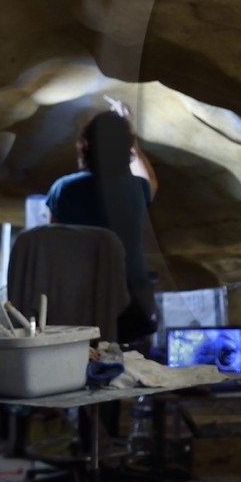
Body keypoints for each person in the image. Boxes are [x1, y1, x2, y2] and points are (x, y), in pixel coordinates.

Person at [46, 102, 160, 343]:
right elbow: (149, 180)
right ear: (125, 148)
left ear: (85, 147)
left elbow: (52, 243)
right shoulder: (136, 188)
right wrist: (131, 136)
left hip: (76, 305)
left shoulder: (63, 189)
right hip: (131, 307)